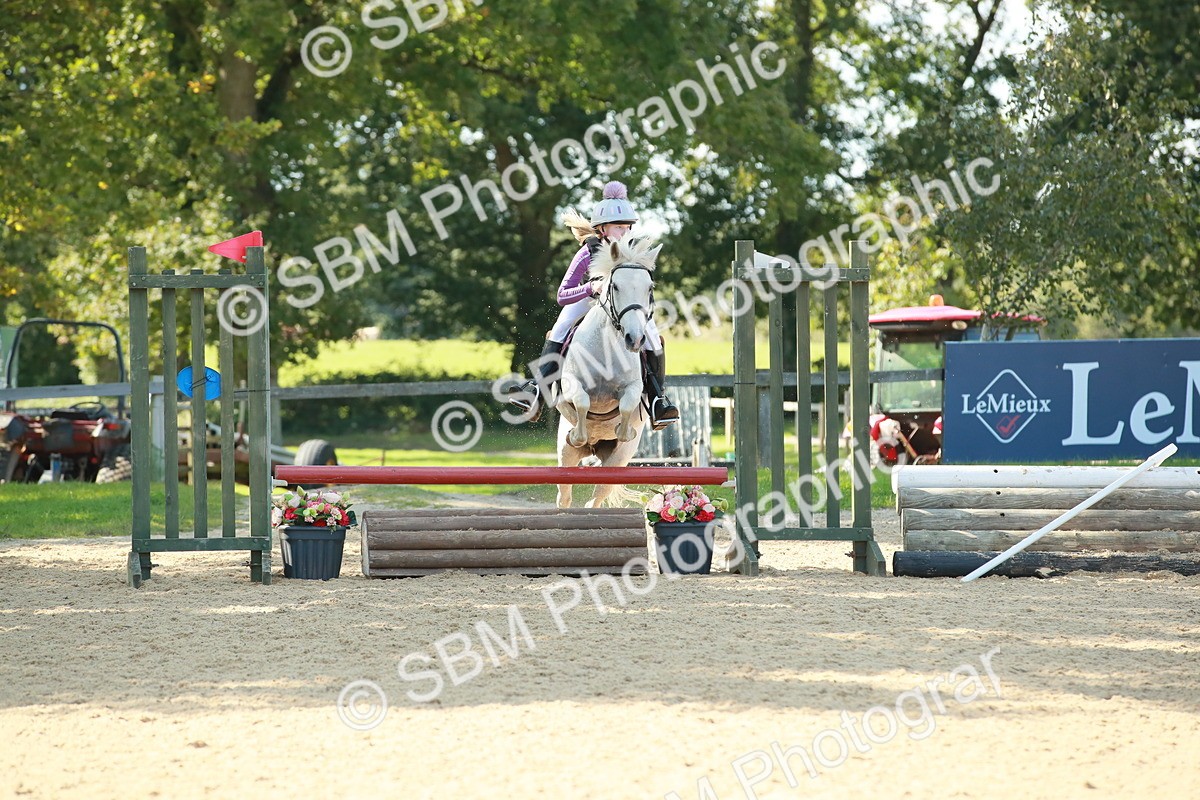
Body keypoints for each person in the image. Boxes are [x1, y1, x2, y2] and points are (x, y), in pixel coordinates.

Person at [509, 181, 680, 429]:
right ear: (602, 228)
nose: (624, 232)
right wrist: (590, 288)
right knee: (561, 326)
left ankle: (657, 400)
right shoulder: (587, 252)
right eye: (618, 227)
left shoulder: (635, 251)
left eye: (626, 227)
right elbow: (562, 294)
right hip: (589, 302)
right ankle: (537, 391)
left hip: (623, 307)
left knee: (652, 335)